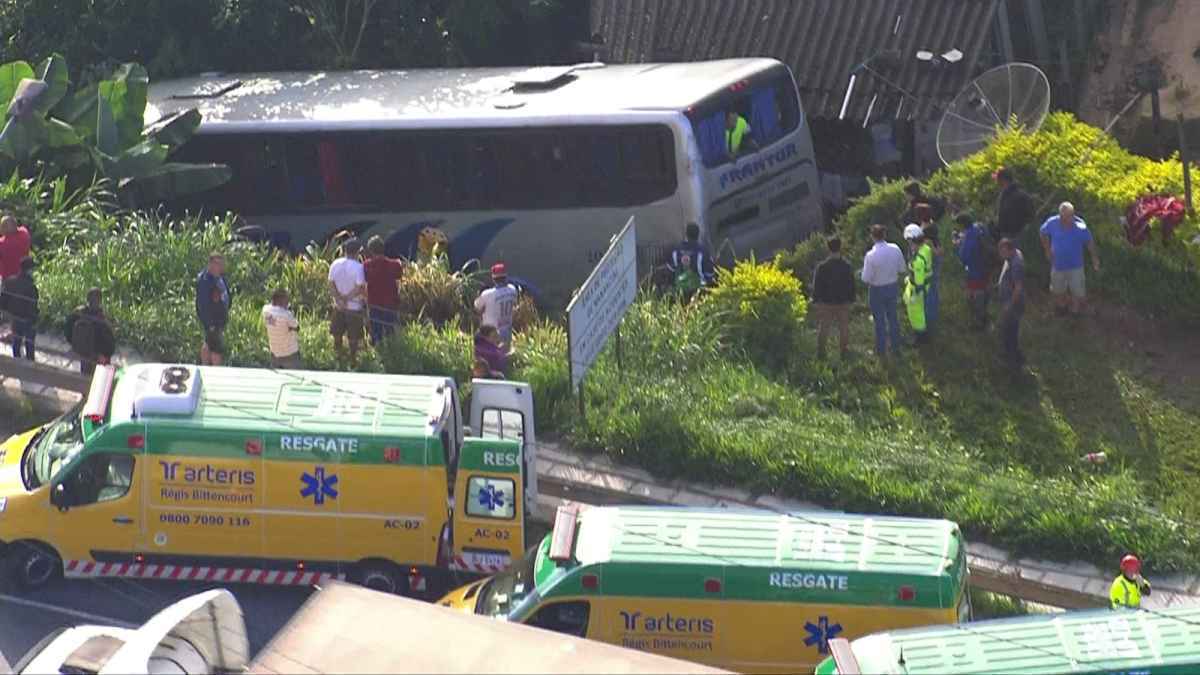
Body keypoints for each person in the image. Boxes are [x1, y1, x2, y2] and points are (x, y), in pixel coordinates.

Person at [1039, 202, 1100, 317]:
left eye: (1071, 215)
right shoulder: (1052, 222)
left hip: (1076, 266)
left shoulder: (1080, 226)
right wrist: (1047, 249)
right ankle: (1061, 309)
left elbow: (1090, 242)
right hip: (1058, 265)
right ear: (1060, 216)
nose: (1069, 219)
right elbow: (1042, 233)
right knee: (1057, 290)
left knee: (1078, 292)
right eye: (1066, 216)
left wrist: (1094, 258)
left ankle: (1075, 312)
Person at [861, 224, 907, 357]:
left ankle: (881, 350)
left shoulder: (870, 255)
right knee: (893, 317)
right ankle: (896, 346)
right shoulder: (895, 249)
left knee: (879, 321)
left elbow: (865, 278)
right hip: (892, 286)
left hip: (877, 289)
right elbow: (902, 269)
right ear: (885, 235)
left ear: (872, 237)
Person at [811, 236, 855, 359]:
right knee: (844, 327)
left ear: (828, 248)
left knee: (824, 327)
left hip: (826, 302)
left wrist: (816, 301)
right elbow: (851, 284)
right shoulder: (846, 265)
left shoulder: (822, 267)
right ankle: (844, 352)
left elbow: (817, 285)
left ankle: (821, 352)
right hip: (843, 301)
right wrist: (851, 299)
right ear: (840, 247)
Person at [328, 238, 367, 367]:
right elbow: (360, 288)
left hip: (338, 306)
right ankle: (353, 360)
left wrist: (339, 299)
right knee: (354, 337)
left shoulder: (335, 264)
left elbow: (331, 284)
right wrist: (347, 298)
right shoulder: (358, 267)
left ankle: (337, 358)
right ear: (357, 252)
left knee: (337, 334)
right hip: (354, 307)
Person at [363, 235, 405, 346]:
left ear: (371, 250)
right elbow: (399, 277)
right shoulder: (395, 264)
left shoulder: (367, 265)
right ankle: (392, 355)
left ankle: (378, 356)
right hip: (391, 304)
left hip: (374, 304)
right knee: (390, 332)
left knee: (376, 334)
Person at [954, 214, 993, 330]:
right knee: (985, 292)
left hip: (974, 271)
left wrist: (958, 244)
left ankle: (979, 322)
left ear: (962, 225)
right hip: (987, 267)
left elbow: (963, 257)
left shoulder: (969, 238)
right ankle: (985, 316)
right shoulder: (980, 227)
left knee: (975, 296)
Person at [65, 288, 115, 376]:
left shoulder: (78, 313)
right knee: (96, 377)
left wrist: (74, 344)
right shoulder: (103, 320)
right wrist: (105, 355)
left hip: (83, 351)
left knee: (85, 373)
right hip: (98, 356)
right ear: (100, 301)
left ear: (87, 299)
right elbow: (110, 345)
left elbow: (67, 329)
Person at [195, 253, 231, 366]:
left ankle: (204, 365)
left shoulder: (220, 277)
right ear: (210, 264)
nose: (220, 267)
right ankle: (216, 371)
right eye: (217, 264)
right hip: (212, 319)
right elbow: (203, 304)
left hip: (220, 316)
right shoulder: (205, 281)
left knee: (208, 342)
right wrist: (209, 322)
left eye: (221, 264)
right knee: (216, 348)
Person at [996, 238, 1026, 367]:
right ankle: (1013, 356)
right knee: (1007, 330)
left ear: (1010, 250)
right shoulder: (1013, 256)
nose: (1000, 254)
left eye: (1003, 251)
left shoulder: (1016, 264)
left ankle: (1012, 359)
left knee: (1009, 331)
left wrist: (1009, 304)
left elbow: (1018, 287)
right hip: (1008, 300)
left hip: (1013, 303)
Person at [0, 256, 37, 360]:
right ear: (29, 270)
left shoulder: (10, 281)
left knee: (16, 342)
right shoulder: (31, 286)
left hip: (15, 317)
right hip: (27, 319)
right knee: (29, 343)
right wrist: (35, 319)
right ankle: (30, 366)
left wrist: (6, 314)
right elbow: (33, 305)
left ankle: (16, 363)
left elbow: (2, 300)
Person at [474, 263, 519, 346]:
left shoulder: (487, 294)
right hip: (507, 331)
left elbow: (477, 308)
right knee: (505, 355)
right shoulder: (513, 290)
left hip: (491, 334)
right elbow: (515, 305)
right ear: (505, 276)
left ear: (493, 278)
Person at [903, 224, 933, 345]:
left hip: (917, 288)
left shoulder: (919, 259)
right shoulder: (926, 248)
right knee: (919, 311)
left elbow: (919, 279)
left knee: (915, 313)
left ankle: (920, 337)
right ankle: (922, 334)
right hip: (922, 285)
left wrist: (916, 292)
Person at [668, 223, 715, 297]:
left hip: (680, 290)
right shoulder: (703, 251)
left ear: (686, 234)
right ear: (698, 234)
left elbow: (671, 270)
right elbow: (710, 273)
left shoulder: (676, 250)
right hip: (699, 291)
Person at [262, 288, 301, 369]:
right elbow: (297, 327)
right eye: (286, 300)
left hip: (274, 353)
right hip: (290, 354)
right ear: (280, 301)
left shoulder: (265, 310)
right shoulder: (286, 315)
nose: (288, 303)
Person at [994, 167, 1036, 240]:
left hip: (1017, 236)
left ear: (1003, 180)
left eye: (998, 180)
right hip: (1007, 235)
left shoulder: (1020, 196)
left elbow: (1030, 217)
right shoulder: (1005, 195)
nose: (997, 183)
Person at [0, 215, 31, 281]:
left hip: (7, 279)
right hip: (25, 275)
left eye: (3, 226)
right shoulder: (24, 233)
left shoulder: (2, 243)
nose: (1, 228)